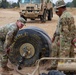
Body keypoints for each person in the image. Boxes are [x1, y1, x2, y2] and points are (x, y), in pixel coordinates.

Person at [48, 0, 76, 70]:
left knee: (63, 57)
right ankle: (70, 69)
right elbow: (72, 29)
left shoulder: (63, 17)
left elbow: (65, 31)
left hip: (64, 40)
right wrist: (73, 39)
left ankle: (64, 70)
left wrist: (60, 40)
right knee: (70, 55)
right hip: (68, 39)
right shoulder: (69, 15)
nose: (57, 11)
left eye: (57, 9)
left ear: (61, 8)